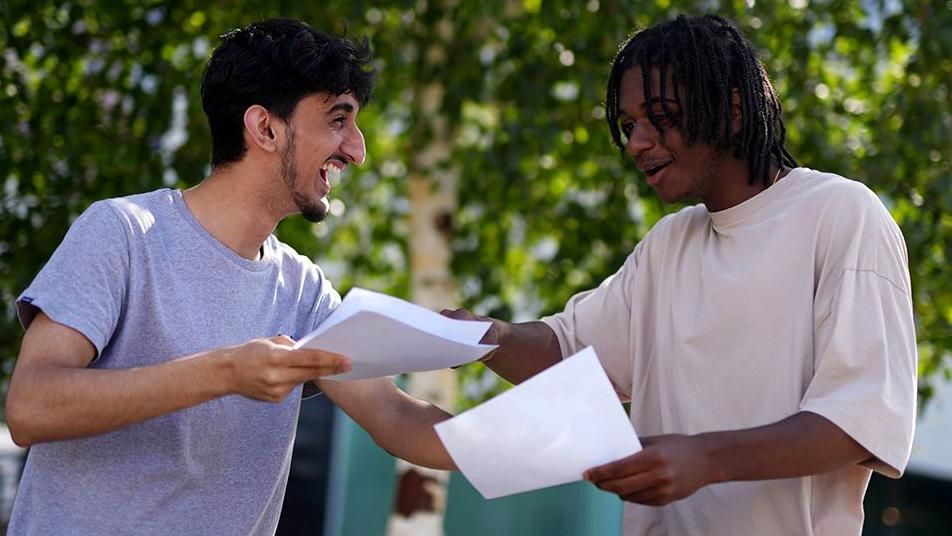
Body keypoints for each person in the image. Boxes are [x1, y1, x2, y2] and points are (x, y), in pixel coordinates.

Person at [445, 14, 917, 535]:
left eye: (660, 117)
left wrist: (707, 458)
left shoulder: (841, 214)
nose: (636, 143)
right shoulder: (668, 244)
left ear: (733, 112)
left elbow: (858, 423)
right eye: (628, 126)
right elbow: (566, 352)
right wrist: (485, 338)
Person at [4, 19, 453, 535]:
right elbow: (31, 407)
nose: (357, 149)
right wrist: (224, 373)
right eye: (337, 120)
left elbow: (395, 417)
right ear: (264, 128)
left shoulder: (303, 290)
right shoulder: (123, 234)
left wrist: (541, 436)